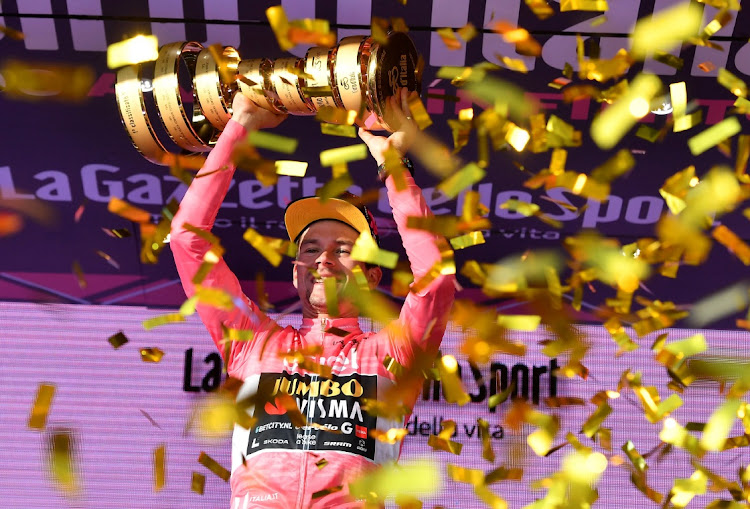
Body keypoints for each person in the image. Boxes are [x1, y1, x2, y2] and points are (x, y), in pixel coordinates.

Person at [170, 88, 456, 508]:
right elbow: (186, 239)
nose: (323, 260)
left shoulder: (394, 353)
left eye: (343, 249)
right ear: (295, 271)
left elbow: (436, 279)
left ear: (371, 276)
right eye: (309, 249)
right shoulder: (252, 343)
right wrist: (240, 124)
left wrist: (393, 167)